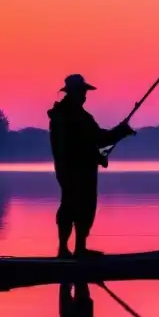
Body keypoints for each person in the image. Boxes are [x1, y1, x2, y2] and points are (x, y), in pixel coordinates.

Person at [47, 74, 135, 258]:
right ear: (74, 93)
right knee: (80, 207)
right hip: (78, 170)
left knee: (72, 205)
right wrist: (120, 131)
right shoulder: (76, 116)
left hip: (68, 169)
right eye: (83, 92)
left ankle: (71, 249)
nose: (85, 96)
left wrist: (118, 132)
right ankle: (72, 250)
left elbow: (97, 139)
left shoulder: (63, 115)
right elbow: (100, 138)